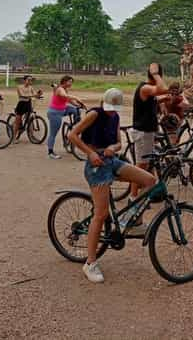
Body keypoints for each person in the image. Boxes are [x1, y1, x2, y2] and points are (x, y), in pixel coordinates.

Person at [69, 88, 166, 283]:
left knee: (150, 181)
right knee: (101, 214)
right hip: (96, 167)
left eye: (115, 109)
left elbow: (119, 143)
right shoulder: (95, 114)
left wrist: (112, 148)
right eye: (110, 108)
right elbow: (72, 135)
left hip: (112, 161)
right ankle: (90, 263)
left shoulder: (115, 118)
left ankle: (134, 221)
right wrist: (90, 153)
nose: (112, 112)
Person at [131, 63, 169, 228]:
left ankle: (146, 193)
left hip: (148, 132)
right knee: (141, 166)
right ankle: (133, 197)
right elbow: (163, 88)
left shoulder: (149, 91)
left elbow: (157, 95)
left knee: (147, 165)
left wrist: (162, 99)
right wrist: (156, 74)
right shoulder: (146, 87)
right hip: (143, 133)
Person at [46, 75, 84, 160]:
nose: (71, 83)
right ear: (64, 81)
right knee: (53, 133)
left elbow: (69, 100)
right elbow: (65, 96)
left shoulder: (65, 89)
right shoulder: (60, 89)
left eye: (71, 82)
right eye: (69, 82)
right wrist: (76, 97)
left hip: (63, 109)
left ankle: (73, 126)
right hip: (55, 113)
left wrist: (79, 105)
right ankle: (50, 152)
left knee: (75, 110)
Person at [12, 75, 43, 143]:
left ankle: (31, 136)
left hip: (28, 104)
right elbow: (22, 95)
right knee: (17, 121)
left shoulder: (31, 87)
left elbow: (35, 94)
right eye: (28, 80)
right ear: (24, 80)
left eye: (31, 80)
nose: (30, 81)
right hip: (21, 104)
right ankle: (13, 137)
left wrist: (39, 94)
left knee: (30, 120)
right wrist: (33, 95)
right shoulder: (19, 87)